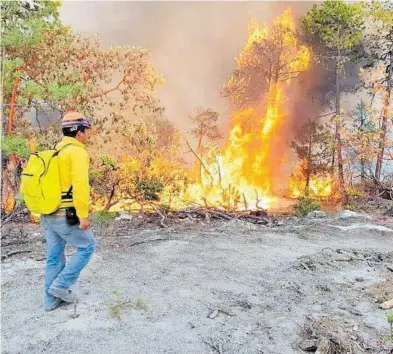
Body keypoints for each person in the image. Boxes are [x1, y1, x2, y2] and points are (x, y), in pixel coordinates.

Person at [41, 110, 96, 311]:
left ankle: (50, 301)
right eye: (86, 130)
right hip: (67, 212)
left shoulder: (56, 149)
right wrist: (83, 215)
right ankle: (61, 286)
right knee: (88, 246)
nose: (87, 134)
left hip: (48, 212)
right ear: (79, 132)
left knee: (54, 255)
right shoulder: (78, 151)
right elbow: (80, 186)